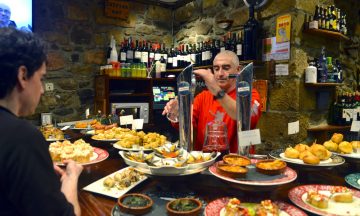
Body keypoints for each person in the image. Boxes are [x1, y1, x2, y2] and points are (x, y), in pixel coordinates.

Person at [0, 27, 82, 216]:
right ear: (22, 76)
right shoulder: (22, 137)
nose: (43, 90)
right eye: (41, 78)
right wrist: (71, 177)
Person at [162, 50, 262, 153]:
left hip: (238, 162)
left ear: (238, 70)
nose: (220, 74)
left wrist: (216, 90)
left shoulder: (250, 95)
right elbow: (187, 124)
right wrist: (177, 114)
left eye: (226, 68)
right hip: (205, 161)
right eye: (216, 68)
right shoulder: (203, 97)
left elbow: (244, 116)